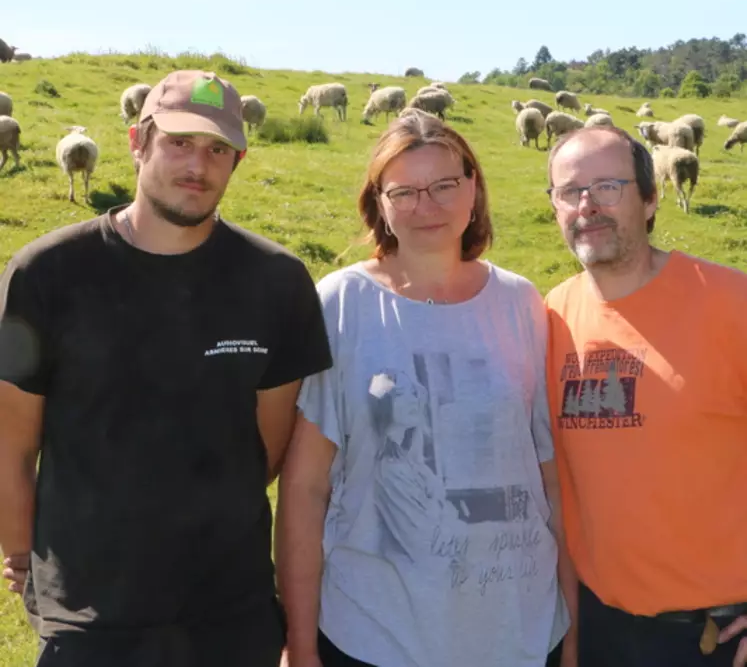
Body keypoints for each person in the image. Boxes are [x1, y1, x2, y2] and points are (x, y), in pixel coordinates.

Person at [0, 69, 332, 667]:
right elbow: (12, 442)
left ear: (237, 160)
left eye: (217, 150)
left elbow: (268, 450)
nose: (197, 166)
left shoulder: (276, 282)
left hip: (230, 615)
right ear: (136, 142)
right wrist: (23, 555)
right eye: (179, 142)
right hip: (88, 618)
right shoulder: (46, 273)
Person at [275, 110, 574, 667]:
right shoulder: (342, 303)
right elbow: (305, 489)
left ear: (473, 187)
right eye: (404, 191)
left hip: (521, 630)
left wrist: (573, 626)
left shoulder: (521, 303)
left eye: (443, 185)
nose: (426, 205)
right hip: (374, 634)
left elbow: (552, 480)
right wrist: (300, 642)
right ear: (379, 202)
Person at [544, 125, 747, 667]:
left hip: (716, 635)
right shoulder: (550, 316)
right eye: (570, 191)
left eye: (608, 187)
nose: (588, 206)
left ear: (651, 196)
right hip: (597, 628)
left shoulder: (732, 303)